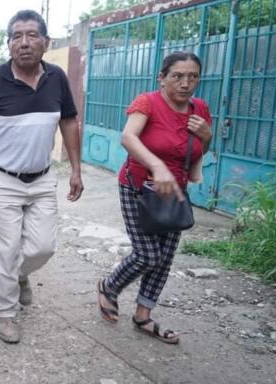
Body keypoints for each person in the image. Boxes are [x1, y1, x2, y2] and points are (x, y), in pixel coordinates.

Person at [0, 10, 84, 344]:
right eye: (16, 36)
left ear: (45, 42)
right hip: (1, 179)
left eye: (32, 35)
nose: (24, 43)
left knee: (43, 247)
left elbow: (69, 122)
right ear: (8, 44)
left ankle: (19, 276)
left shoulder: (58, 78)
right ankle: (5, 314)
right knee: (4, 250)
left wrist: (76, 169)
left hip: (42, 179)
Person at [97, 51, 212, 344]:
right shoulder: (148, 103)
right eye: (177, 76)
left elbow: (198, 152)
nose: (186, 83)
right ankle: (109, 286)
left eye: (193, 76)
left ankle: (143, 316)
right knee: (148, 254)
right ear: (161, 78)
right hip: (138, 186)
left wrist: (207, 136)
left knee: (164, 259)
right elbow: (128, 137)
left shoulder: (200, 109)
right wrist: (157, 165)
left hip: (175, 191)